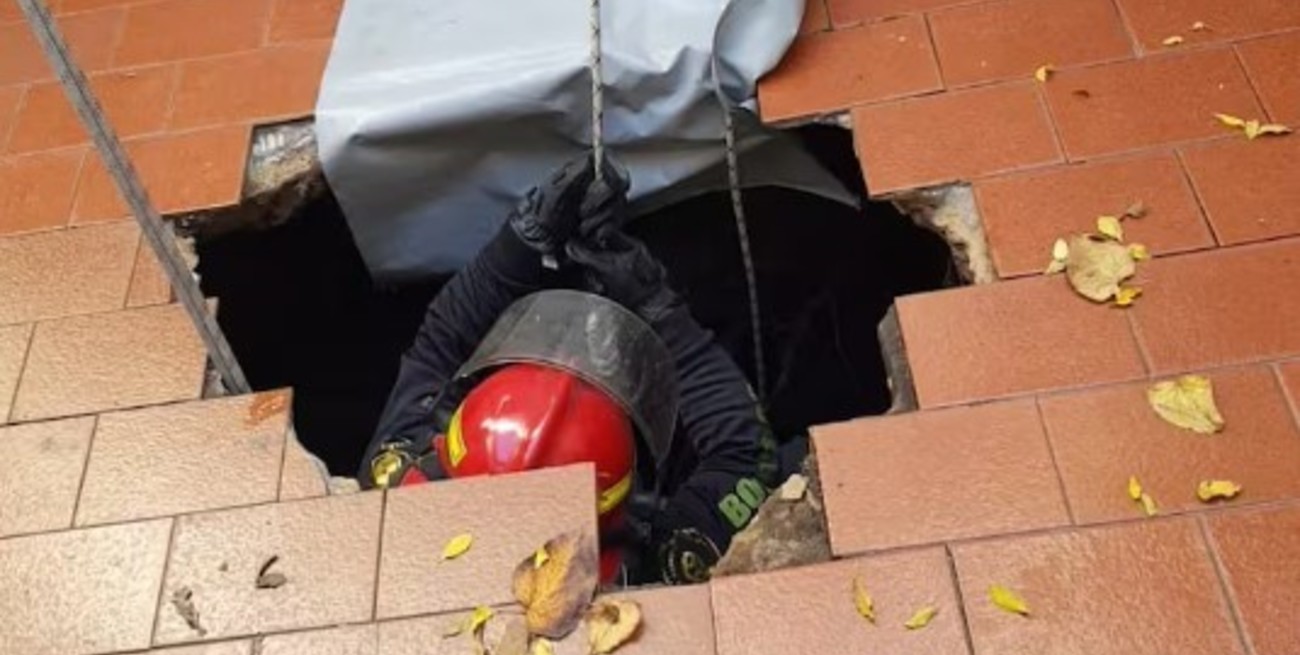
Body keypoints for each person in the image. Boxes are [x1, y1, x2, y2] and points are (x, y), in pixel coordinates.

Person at [359, 156, 779, 585]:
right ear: (615, 500)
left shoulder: (398, 500)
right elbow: (746, 456)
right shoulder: (657, 576)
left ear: (452, 453)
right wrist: (658, 308)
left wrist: (520, 245)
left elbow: (437, 348)